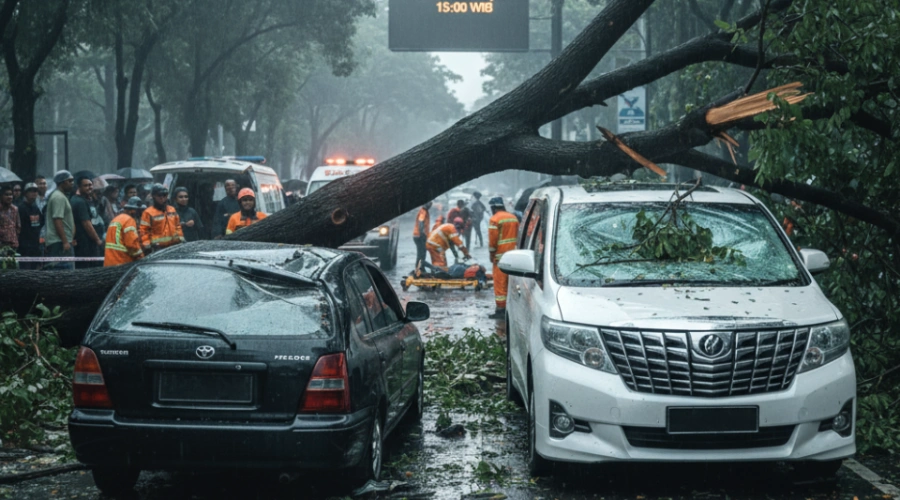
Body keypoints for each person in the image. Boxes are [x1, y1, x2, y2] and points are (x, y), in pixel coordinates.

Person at [488, 196, 520, 319]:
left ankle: (501, 310)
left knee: (500, 283)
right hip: (515, 256)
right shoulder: (513, 218)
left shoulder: (495, 219)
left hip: (500, 258)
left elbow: (492, 242)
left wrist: (492, 255)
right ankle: (512, 308)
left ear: (493, 207)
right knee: (511, 283)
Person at [70, 175, 105, 268]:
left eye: (90, 185)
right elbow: (86, 223)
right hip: (84, 243)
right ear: (79, 187)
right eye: (86, 185)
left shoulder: (87, 199)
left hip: (90, 243)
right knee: (87, 268)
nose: (89, 187)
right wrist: (98, 240)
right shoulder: (79, 202)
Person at [44, 170, 76, 270]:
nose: (72, 183)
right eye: (70, 181)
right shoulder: (58, 197)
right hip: (59, 243)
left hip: (63, 241)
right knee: (62, 275)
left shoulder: (62, 196)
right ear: (63, 182)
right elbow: (57, 220)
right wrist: (65, 242)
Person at [140, 183, 184, 254]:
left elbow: (178, 226)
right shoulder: (148, 212)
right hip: (157, 248)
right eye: (159, 196)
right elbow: (143, 231)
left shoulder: (172, 210)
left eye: (164, 195)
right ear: (154, 197)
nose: (162, 198)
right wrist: (147, 246)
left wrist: (181, 239)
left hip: (174, 246)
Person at [104, 197, 145, 267]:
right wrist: (142, 258)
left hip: (109, 263)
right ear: (133, 210)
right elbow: (132, 245)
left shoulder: (116, 219)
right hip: (122, 263)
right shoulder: (129, 220)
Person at [16, 183, 43, 269]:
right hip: (24, 247)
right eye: (30, 191)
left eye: (35, 191)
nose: (33, 193)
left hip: (35, 245)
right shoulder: (21, 208)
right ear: (25, 193)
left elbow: (41, 222)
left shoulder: (36, 208)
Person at [412, 201, 431, 270]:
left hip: (418, 235)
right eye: (429, 203)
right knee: (421, 253)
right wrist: (422, 233)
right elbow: (421, 222)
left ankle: (420, 267)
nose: (430, 205)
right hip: (419, 235)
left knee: (421, 252)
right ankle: (419, 268)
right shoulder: (423, 211)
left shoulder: (424, 210)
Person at [0, 185, 19, 251]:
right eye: (6, 195)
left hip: (13, 244)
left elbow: (18, 226)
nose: (9, 197)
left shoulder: (15, 209)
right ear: (1, 196)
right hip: (1, 244)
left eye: (11, 194)